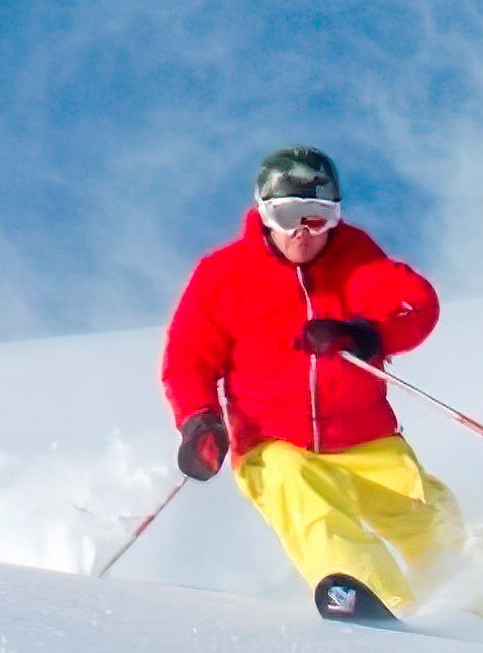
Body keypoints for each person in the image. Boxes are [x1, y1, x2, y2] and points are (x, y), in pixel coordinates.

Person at [161, 144, 458, 624]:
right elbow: (187, 360)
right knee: (308, 505)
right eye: (288, 215)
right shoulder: (223, 276)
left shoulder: (355, 256)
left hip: (365, 437)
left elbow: (416, 304)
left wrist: (367, 333)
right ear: (264, 214)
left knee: (429, 516)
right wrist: (199, 421)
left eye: (317, 218)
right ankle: (384, 610)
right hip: (275, 443)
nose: (302, 230)